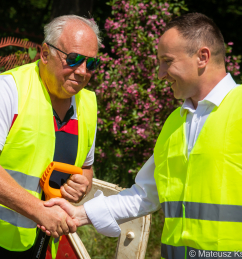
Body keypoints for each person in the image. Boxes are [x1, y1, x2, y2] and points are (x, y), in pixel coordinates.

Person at [42, 13, 242, 258]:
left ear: (202, 57)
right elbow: (144, 195)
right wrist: (78, 214)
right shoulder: (175, 123)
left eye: (167, 61)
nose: (160, 74)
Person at [0, 15, 101, 259]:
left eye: (91, 64)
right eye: (73, 59)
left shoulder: (87, 105)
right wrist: (39, 210)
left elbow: (86, 168)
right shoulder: (7, 90)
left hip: (34, 246)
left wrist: (84, 183)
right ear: (46, 54)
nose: (82, 71)